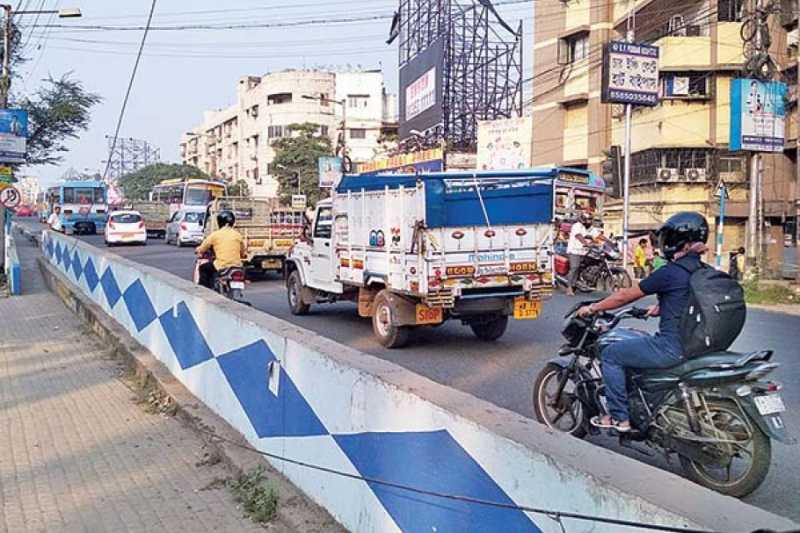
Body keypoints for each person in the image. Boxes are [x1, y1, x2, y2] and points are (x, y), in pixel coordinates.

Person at [576, 212, 710, 432]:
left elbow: (624, 296)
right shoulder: (703, 271)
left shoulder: (670, 272)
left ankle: (619, 418)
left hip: (671, 347)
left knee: (611, 354)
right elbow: (688, 300)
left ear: (680, 241)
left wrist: (592, 307)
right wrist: (661, 309)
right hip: (695, 345)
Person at [195, 210, 245, 290]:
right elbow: (243, 252)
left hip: (221, 266)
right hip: (237, 266)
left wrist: (198, 250)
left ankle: (204, 292)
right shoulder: (238, 235)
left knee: (203, 268)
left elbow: (203, 247)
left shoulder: (215, 235)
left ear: (220, 222)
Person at [566, 210, 600, 296]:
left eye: (590, 219)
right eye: (588, 219)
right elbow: (578, 236)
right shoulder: (577, 226)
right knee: (575, 267)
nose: (590, 221)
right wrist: (586, 243)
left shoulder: (591, 228)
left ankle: (583, 280)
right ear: (583, 219)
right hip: (575, 251)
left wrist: (609, 242)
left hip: (585, 252)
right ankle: (569, 288)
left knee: (595, 262)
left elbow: (598, 236)